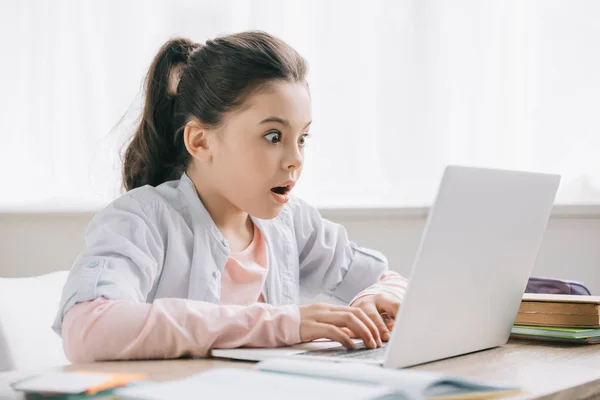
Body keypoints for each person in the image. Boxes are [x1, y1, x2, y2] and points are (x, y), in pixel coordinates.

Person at [52, 31, 408, 362]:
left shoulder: (293, 222)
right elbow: (88, 327)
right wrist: (282, 323)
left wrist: (379, 298)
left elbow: (390, 279)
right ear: (201, 142)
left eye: (302, 138)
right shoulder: (140, 220)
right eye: (273, 136)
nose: (296, 159)